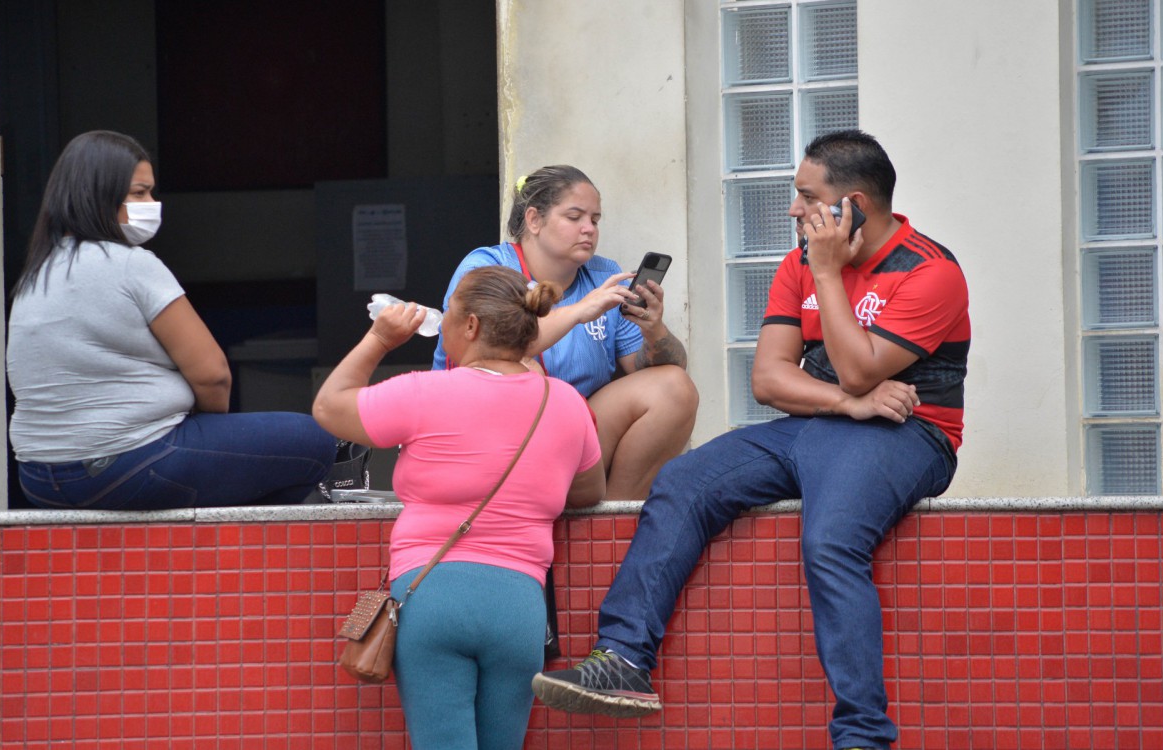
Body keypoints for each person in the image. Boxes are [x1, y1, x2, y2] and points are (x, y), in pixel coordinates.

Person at [532, 130, 970, 750]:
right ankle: (624, 660)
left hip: (912, 435)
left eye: (806, 196)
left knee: (831, 538)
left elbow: (859, 367)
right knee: (683, 483)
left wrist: (828, 276)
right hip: (818, 424)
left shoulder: (929, 272)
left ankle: (863, 734)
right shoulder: (798, 262)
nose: (793, 209)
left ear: (854, 208)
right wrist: (851, 401)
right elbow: (769, 379)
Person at [313, 266, 605, 750]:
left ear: (470, 327)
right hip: (519, 608)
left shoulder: (425, 392)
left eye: (448, 312)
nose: (443, 323)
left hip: (432, 596)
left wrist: (380, 339)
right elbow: (589, 489)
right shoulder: (567, 402)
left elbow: (329, 407)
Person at [7, 130, 336, 510]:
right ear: (96, 195)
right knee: (317, 441)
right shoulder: (131, 264)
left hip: (38, 477)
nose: (152, 203)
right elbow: (213, 374)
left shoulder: (36, 274)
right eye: (139, 192)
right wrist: (207, 432)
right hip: (129, 467)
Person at [432, 165, 698, 500]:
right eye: (574, 217)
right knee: (525, 372)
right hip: (487, 445)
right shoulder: (487, 269)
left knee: (674, 385)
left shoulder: (604, 273)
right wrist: (579, 311)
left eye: (595, 220)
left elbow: (645, 372)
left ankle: (610, 527)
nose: (589, 229)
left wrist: (654, 330)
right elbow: (489, 351)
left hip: (574, 439)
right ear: (534, 220)